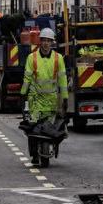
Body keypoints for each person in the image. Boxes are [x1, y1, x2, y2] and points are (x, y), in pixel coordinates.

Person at [20, 27, 68, 165]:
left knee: (49, 128)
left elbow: (62, 80)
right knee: (33, 128)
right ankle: (34, 154)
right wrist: (22, 95)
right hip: (35, 100)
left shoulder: (58, 59)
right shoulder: (32, 58)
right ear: (40, 42)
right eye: (44, 40)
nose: (46, 43)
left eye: (49, 41)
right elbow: (27, 78)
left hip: (51, 101)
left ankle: (49, 147)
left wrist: (64, 98)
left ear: (52, 43)